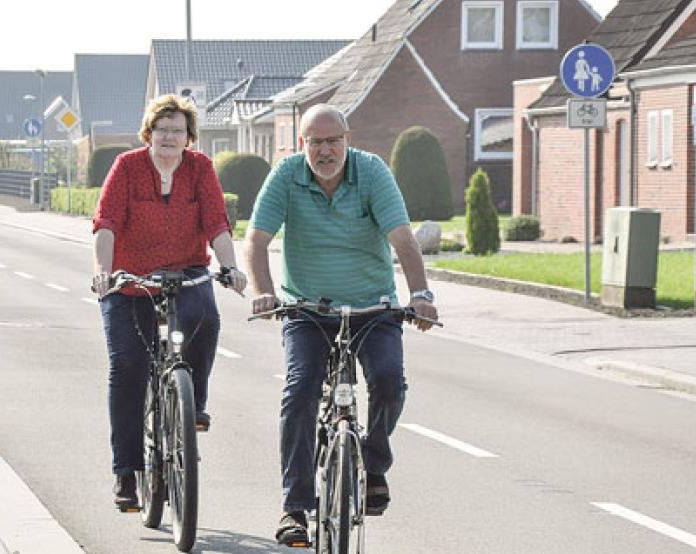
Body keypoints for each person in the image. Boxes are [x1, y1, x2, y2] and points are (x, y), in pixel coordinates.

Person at [243, 104, 438, 546]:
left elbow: (402, 239)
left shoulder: (371, 173)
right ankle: (294, 506)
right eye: (316, 142)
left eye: (334, 141)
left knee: (389, 381)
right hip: (308, 310)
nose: (326, 150)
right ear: (302, 145)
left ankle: (372, 464)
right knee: (299, 391)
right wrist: (263, 291)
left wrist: (421, 295)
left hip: (373, 307)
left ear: (347, 139)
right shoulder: (286, 176)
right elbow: (255, 241)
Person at [91, 93, 248, 511]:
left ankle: (193, 402)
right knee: (129, 366)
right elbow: (105, 223)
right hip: (130, 281)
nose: (169, 137)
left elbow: (217, 222)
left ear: (189, 137)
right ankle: (127, 473)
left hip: (187, 274)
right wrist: (105, 272)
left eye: (177, 131)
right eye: (162, 130)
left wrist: (231, 266)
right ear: (149, 133)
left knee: (207, 321)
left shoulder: (200, 170)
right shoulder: (127, 167)